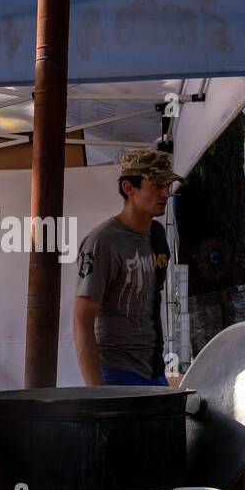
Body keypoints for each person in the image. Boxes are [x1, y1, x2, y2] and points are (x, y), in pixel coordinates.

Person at [74, 149, 179, 387]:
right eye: (156, 185)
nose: (165, 193)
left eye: (168, 185)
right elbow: (82, 318)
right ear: (128, 188)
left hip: (153, 367)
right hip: (116, 369)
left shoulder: (157, 234)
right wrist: (97, 391)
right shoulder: (103, 241)